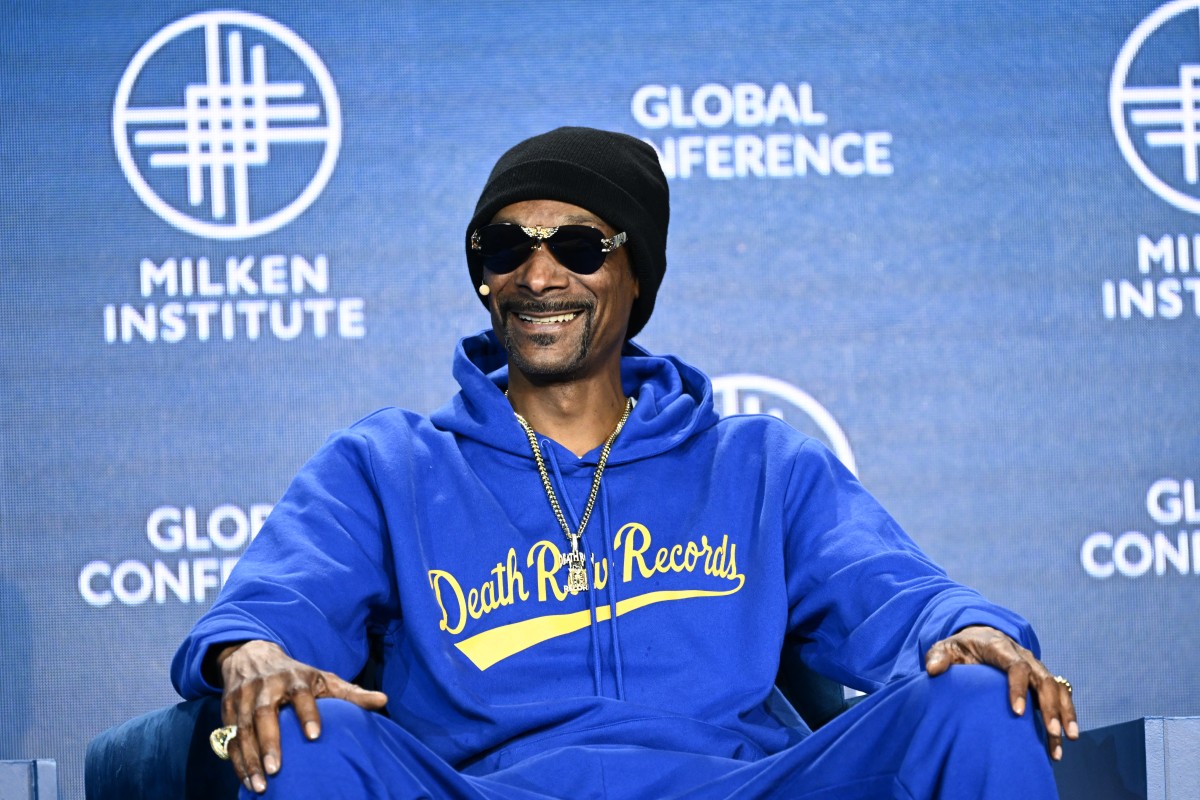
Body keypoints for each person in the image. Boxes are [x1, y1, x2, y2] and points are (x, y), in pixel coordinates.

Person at [172, 126, 1078, 799]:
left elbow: (894, 594)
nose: (538, 277)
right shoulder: (389, 465)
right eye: (506, 248)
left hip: (734, 786)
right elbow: (276, 606)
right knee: (305, 735)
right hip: (485, 790)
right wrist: (255, 654)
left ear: (634, 273)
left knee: (976, 699)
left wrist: (969, 626)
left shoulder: (758, 465)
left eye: (576, 247)